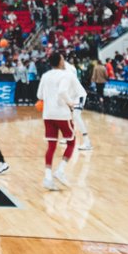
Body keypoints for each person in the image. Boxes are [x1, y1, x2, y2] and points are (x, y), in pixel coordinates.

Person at [37, 52, 86, 190]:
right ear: (60, 61)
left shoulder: (45, 76)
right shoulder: (67, 75)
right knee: (71, 142)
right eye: (63, 58)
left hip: (48, 115)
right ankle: (60, 170)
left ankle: (47, 177)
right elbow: (62, 92)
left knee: (51, 146)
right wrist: (71, 103)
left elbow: (39, 95)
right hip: (62, 114)